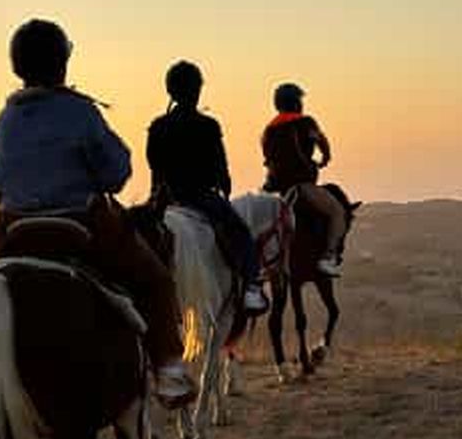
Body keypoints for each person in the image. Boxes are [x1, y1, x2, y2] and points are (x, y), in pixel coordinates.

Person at [0, 18, 195, 406]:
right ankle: (168, 369)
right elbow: (116, 173)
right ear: (62, 63)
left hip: (15, 230)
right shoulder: (79, 112)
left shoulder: (5, 118)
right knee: (156, 280)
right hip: (79, 225)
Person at [146, 60, 269, 314]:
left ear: (170, 91)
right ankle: (252, 288)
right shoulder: (208, 125)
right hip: (200, 197)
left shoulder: (158, 126)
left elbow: (154, 167)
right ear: (197, 90)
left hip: (164, 199)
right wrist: (224, 185)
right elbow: (221, 169)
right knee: (240, 232)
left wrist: (155, 200)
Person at [261, 82, 346, 276]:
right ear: (296, 102)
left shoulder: (269, 130)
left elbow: (267, 157)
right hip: (301, 186)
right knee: (337, 212)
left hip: (275, 189)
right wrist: (325, 158)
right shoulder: (305, 122)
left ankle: (265, 266)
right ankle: (328, 257)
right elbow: (321, 141)